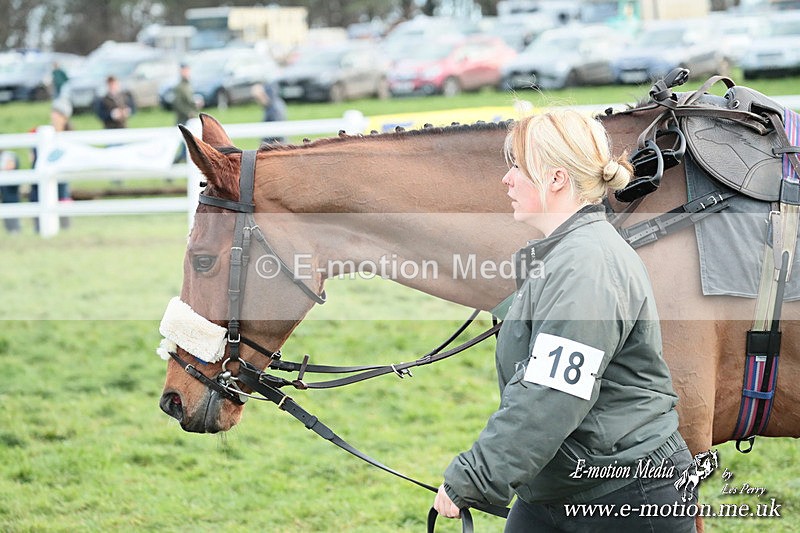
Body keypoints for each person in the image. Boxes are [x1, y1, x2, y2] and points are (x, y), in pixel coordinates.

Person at [433, 109, 696, 532]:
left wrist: (477, 476)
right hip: (560, 487)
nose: (507, 179)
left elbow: (552, 393)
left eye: (518, 166)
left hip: (624, 495)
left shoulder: (586, 264)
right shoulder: (564, 253)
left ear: (556, 179)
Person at [29, 98, 74, 230]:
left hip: (61, 175)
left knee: (62, 196)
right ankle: (40, 228)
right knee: (38, 197)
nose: (54, 115)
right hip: (43, 172)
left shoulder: (69, 134)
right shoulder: (42, 132)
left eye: (57, 113)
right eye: (54, 112)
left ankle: (65, 227)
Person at [251, 80, 287, 144]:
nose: (257, 101)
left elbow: (278, 134)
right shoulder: (270, 106)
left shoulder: (275, 109)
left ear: (264, 94)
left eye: (258, 98)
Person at [0, 150, 21, 234]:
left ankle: (15, 230)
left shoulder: (9, 154)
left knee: (12, 207)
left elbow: (12, 165)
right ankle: (11, 230)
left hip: (12, 194)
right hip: (6, 194)